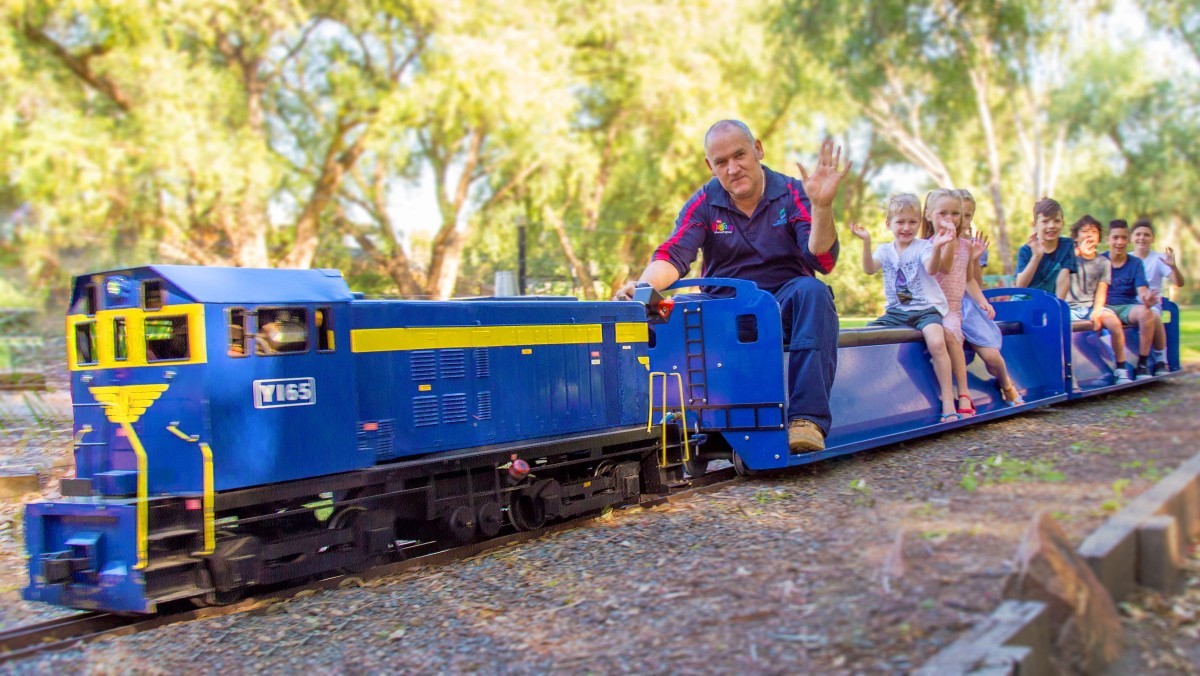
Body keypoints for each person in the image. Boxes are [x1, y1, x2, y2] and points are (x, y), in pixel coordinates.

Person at [614, 120, 850, 453]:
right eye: (721, 162)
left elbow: (822, 261)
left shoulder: (793, 192)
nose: (733, 168)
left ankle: (806, 422)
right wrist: (643, 286)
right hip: (723, 312)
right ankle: (661, 420)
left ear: (758, 149)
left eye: (739, 155)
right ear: (711, 167)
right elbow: (674, 254)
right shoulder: (704, 202)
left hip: (781, 307)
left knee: (814, 292)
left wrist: (822, 207)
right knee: (666, 310)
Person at [849, 194, 961, 423]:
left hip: (926, 309)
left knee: (937, 343)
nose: (906, 227)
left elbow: (931, 269)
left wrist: (939, 247)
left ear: (919, 224)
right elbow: (869, 269)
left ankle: (948, 401)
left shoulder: (924, 247)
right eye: (900, 222)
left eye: (912, 222)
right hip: (896, 312)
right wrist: (866, 241)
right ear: (888, 224)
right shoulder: (884, 250)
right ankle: (866, 398)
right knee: (864, 338)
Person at [956, 189, 1024, 405]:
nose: (962, 220)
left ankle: (1006, 383)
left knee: (991, 358)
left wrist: (974, 259)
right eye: (958, 214)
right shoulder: (934, 243)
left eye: (968, 215)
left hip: (967, 305)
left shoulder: (974, 245)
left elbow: (975, 283)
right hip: (944, 305)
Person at [920, 189, 975, 416]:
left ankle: (963, 391)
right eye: (944, 213)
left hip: (951, 307)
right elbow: (940, 267)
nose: (950, 219)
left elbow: (967, 277)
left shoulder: (966, 246)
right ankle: (935, 391)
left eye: (956, 214)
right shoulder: (925, 246)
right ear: (929, 215)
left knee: (951, 333)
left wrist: (982, 302)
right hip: (930, 307)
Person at [1067, 216, 1131, 385]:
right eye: (1085, 231)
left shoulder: (1103, 262)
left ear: (1099, 237)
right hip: (1069, 308)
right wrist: (1077, 253)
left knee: (1113, 321)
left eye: (1094, 231)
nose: (1089, 235)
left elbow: (1102, 290)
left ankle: (1121, 369)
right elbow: (1059, 272)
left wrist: (1096, 311)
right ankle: (1101, 372)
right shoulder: (1069, 257)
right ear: (1076, 236)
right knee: (1075, 338)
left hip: (1090, 307)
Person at [1103, 219, 1163, 380]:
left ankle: (1142, 364)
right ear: (1108, 239)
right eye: (1115, 238)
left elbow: (1142, 290)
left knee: (1147, 312)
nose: (1119, 242)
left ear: (1128, 240)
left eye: (1123, 238)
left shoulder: (1135, 263)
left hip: (1127, 306)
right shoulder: (1100, 260)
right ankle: (1117, 368)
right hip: (1105, 306)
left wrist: (1147, 299)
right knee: (1108, 318)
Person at [1131, 220, 1184, 375]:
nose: (1142, 238)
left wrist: (1173, 266)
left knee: (1152, 316)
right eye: (1138, 234)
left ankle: (1161, 359)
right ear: (1132, 238)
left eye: (1146, 235)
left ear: (1152, 238)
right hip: (1130, 304)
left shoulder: (1159, 259)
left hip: (1152, 303)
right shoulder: (1127, 258)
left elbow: (1179, 282)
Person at [1015, 198, 1075, 298]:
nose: (1051, 226)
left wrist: (1058, 306)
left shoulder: (1067, 245)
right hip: (1025, 302)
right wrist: (1036, 257)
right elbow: (1020, 286)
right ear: (1035, 225)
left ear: (1062, 223)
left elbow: (1064, 277)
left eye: (1057, 221)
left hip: (1050, 303)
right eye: (1045, 221)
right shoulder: (1026, 250)